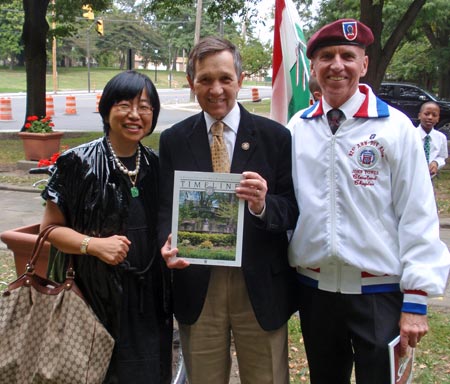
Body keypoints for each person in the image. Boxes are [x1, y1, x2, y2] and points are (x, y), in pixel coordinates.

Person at [287, 19, 450, 384]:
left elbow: (418, 214)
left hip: (379, 293)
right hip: (317, 294)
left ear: (363, 64)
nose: (337, 65)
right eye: (326, 56)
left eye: (348, 55)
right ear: (314, 67)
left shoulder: (394, 128)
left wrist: (416, 299)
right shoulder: (298, 127)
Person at [158, 36, 298, 384]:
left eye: (224, 78)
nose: (216, 89)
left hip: (260, 285)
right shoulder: (174, 139)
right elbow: (164, 207)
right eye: (205, 80)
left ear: (241, 78)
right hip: (198, 281)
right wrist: (168, 241)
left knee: (266, 377)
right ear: (192, 84)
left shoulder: (274, 137)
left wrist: (264, 204)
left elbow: (292, 209)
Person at [40, 70, 172, 384]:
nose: (135, 115)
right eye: (124, 105)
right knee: (97, 373)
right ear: (107, 109)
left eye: (145, 107)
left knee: (150, 372)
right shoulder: (77, 163)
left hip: (151, 298)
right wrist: (93, 245)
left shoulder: (158, 165)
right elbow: (49, 230)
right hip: (94, 297)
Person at [417, 101, 448, 177]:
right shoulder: (411, 135)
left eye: (434, 115)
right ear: (419, 116)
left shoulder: (441, 138)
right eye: (426, 114)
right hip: (412, 177)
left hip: (430, 178)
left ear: (438, 119)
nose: (430, 117)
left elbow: (442, 157)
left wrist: (436, 163)